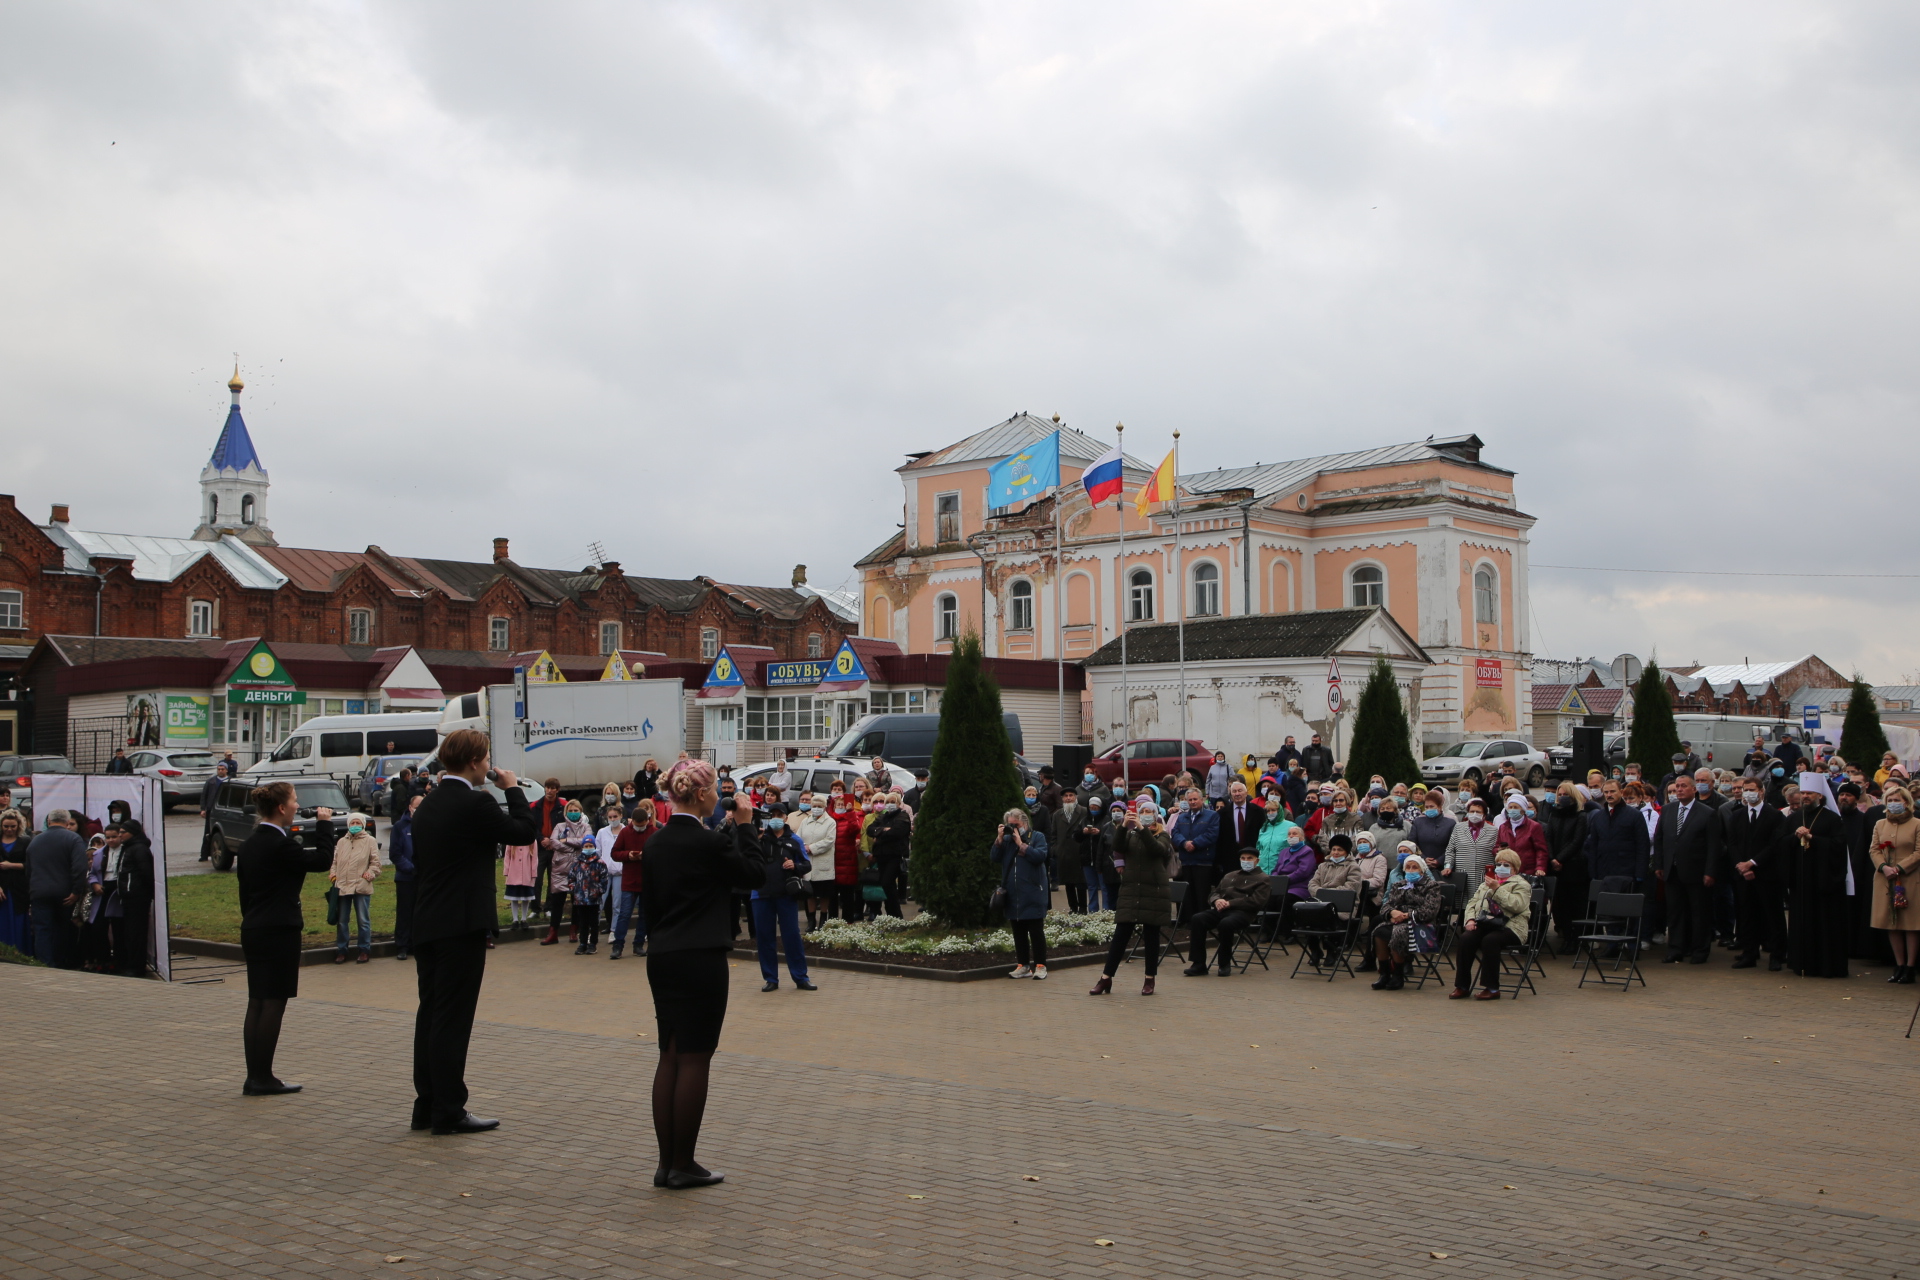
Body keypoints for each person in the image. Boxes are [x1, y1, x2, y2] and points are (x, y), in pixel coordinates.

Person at [641, 759, 766, 1188]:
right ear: (698, 795)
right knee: (695, 1058)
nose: (718, 796)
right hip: (700, 958)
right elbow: (754, 874)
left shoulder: (656, 843)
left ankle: (666, 1163)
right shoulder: (708, 843)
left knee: (670, 1054)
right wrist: (747, 826)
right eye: (713, 789)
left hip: (663, 956)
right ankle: (683, 1163)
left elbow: (652, 908)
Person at [407, 728, 535, 1135]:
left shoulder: (428, 804)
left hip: (428, 920)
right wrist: (513, 788)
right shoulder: (474, 802)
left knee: (430, 1014)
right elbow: (522, 831)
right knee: (453, 1019)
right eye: (486, 758)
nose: (489, 766)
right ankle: (449, 1109)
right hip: (460, 923)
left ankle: (426, 1104)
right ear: (476, 762)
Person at [235, 783, 339, 1094]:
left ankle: (254, 1075)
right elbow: (322, 861)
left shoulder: (249, 844)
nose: (297, 805)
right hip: (279, 929)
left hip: (254, 927)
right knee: (274, 1002)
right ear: (281, 808)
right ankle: (262, 1078)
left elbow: (244, 895)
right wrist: (324, 823)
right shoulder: (281, 846)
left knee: (257, 1001)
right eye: (294, 800)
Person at [1089, 799, 1175, 996]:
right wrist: (1122, 826)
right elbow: (1117, 846)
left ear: (1154, 815)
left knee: (1151, 937)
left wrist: (1141, 829)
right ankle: (1106, 978)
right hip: (1131, 889)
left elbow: (1157, 850)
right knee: (1121, 936)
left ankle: (1149, 979)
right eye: (1141, 811)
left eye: (1148, 811)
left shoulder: (1162, 834)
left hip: (1154, 890)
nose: (1144, 814)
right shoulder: (1131, 832)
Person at [1655, 774, 1723, 965]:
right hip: (1672, 871)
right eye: (1677, 786)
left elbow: (1713, 846)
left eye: (1684, 786)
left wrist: (1710, 872)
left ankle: (1699, 950)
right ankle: (1675, 949)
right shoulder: (1668, 810)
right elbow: (1660, 839)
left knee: (1698, 913)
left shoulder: (1707, 813)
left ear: (1694, 789)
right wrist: (1659, 865)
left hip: (1696, 872)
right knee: (1675, 913)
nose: (1679, 789)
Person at [1785, 783, 1849, 978]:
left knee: (1824, 924)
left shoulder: (1832, 818)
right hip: (1801, 881)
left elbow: (1839, 846)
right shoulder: (1795, 818)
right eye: (1803, 793)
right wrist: (1795, 837)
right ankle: (1801, 963)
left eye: (1809, 793)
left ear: (1819, 796)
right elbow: (1782, 843)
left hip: (1823, 882)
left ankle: (1826, 966)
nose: (1805, 796)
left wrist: (1813, 838)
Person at [1723, 777, 1787, 971]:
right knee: (1747, 915)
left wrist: (1753, 863)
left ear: (1761, 791)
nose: (1748, 793)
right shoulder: (1737, 815)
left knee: (1772, 915)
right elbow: (1732, 843)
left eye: (1751, 789)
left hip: (1767, 874)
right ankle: (1749, 953)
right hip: (1743, 875)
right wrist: (1741, 866)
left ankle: (1777, 955)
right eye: (1745, 789)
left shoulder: (1774, 816)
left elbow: (1774, 844)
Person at [1450, 849, 1531, 999]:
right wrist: (1470, 919)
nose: (1501, 867)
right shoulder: (1486, 883)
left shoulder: (1521, 884)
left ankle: (1492, 988)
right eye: (1498, 864)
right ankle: (1462, 986)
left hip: (1511, 927)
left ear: (1514, 868)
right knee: (1466, 938)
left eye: (1506, 865)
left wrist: (1497, 889)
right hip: (1486, 923)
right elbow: (1472, 903)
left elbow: (1517, 905)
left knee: (1490, 941)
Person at [1184, 845, 1271, 976]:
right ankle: (1198, 964)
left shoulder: (1263, 878)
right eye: (1243, 858)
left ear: (1257, 860)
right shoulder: (1230, 875)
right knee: (1198, 919)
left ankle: (1224, 963)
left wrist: (1231, 903)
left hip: (1243, 913)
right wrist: (1216, 900)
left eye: (1249, 858)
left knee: (1226, 924)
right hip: (1221, 910)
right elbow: (1214, 893)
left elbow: (1257, 902)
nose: (1246, 861)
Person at [992, 807, 1052, 979]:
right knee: (1018, 931)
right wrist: (999, 839)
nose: (1013, 828)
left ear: (1024, 823)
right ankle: (1023, 965)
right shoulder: (1007, 841)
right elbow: (994, 857)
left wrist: (1021, 844)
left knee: (1036, 931)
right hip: (1013, 893)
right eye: (1009, 825)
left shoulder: (1037, 837)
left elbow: (1040, 856)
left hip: (1033, 892)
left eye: (1015, 825)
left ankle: (1040, 965)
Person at [24, 809, 87, 969]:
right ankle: (60, 963)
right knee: (62, 929)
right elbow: (79, 868)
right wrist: (76, 891)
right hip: (65, 894)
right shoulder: (74, 839)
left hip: (39, 892)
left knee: (42, 930)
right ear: (67, 823)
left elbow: (29, 869)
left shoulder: (35, 841)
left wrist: (32, 889)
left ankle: (44, 963)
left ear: (49, 821)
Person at [1870, 786, 1920, 983]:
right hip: (1886, 878)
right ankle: (1898, 964)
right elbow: (1874, 849)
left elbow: (1918, 851)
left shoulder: (1917, 824)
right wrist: (1883, 867)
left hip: (1910, 878)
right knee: (1892, 923)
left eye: (1896, 800)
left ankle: (1910, 966)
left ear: (1906, 802)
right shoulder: (1880, 824)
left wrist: (1899, 867)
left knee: (1910, 924)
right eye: (1889, 800)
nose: (1893, 804)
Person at [1369, 852, 1442, 990]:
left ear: (1422, 870)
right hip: (1397, 919)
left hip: (1420, 923)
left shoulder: (1432, 886)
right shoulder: (1398, 885)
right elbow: (1386, 905)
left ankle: (1398, 975)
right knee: (1379, 931)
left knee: (1398, 932)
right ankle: (1384, 974)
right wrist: (1392, 912)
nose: (1411, 870)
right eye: (1408, 867)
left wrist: (1406, 915)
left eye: (1414, 867)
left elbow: (1430, 911)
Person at [1542, 782, 1589, 952]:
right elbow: (1548, 838)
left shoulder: (1581, 816)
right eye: (1559, 794)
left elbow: (1577, 841)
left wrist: (1560, 859)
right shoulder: (1554, 815)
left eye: (1565, 794)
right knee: (1561, 906)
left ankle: (1576, 940)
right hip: (1556, 867)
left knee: (1575, 905)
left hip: (1573, 866)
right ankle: (1566, 937)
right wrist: (1553, 858)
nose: (1562, 797)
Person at [328, 813, 382, 964]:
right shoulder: (341, 842)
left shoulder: (370, 841)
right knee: (342, 921)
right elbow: (335, 862)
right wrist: (333, 875)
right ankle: (341, 950)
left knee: (363, 920)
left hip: (360, 886)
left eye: (358, 822)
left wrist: (368, 875)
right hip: (343, 886)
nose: (355, 825)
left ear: (363, 824)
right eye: (353, 823)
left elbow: (376, 863)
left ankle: (364, 950)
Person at [609, 800, 656, 959]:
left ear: (647, 821)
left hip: (647, 880)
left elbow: (659, 854)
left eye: (642, 825)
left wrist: (646, 856)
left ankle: (638, 944)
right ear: (632, 821)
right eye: (637, 825)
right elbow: (615, 853)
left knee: (644, 915)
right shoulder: (625, 832)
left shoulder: (653, 832)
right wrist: (628, 855)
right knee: (624, 914)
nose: (639, 827)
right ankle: (618, 946)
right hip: (629, 880)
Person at [542, 801, 591, 945]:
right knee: (557, 902)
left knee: (577, 902)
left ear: (581, 811)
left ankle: (573, 931)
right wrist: (573, 847)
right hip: (559, 869)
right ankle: (553, 933)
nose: (573, 812)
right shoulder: (559, 826)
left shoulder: (586, 827)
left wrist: (566, 841)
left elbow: (585, 841)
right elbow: (553, 842)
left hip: (578, 870)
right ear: (566, 812)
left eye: (576, 810)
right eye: (571, 810)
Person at [789, 792, 836, 930]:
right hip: (808, 861)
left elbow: (829, 841)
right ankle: (811, 921)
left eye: (819, 806)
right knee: (809, 894)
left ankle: (823, 919)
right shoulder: (806, 821)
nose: (816, 808)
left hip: (823, 862)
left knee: (824, 894)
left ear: (824, 807)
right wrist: (802, 848)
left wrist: (812, 847)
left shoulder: (830, 822)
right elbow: (797, 838)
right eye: (814, 806)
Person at [867, 791, 912, 919]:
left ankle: (896, 914)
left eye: (893, 802)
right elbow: (870, 829)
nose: (890, 805)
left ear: (898, 804)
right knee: (886, 884)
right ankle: (892, 914)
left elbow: (897, 833)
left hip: (895, 856)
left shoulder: (902, 816)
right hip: (881, 856)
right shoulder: (883, 817)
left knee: (887, 882)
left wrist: (880, 835)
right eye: (888, 802)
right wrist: (883, 830)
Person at [827, 783, 864, 923]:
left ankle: (848, 921)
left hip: (847, 862)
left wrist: (850, 813)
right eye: (838, 805)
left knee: (847, 895)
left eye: (843, 805)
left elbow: (855, 829)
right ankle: (833, 922)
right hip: (832, 863)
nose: (840, 807)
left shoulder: (850, 818)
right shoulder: (830, 820)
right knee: (832, 896)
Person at [569, 830, 610, 954]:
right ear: (582, 847)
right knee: (583, 922)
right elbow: (571, 878)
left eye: (590, 846)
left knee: (594, 922)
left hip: (594, 898)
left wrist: (599, 891)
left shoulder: (600, 863)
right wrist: (574, 890)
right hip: (580, 898)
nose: (588, 848)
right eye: (586, 846)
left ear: (594, 847)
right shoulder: (576, 863)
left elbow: (604, 879)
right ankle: (582, 943)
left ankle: (593, 943)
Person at [390, 794, 419, 960]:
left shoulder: (428, 826)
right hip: (405, 878)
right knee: (404, 913)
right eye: (416, 807)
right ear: (410, 807)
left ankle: (415, 944)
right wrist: (411, 868)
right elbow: (395, 853)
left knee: (419, 913)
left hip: (423, 878)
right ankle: (402, 946)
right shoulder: (400, 827)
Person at [1053, 790, 1091, 914]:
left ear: (1076, 797)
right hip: (1064, 853)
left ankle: (1083, 908)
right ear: (1062, 798)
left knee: (1081, 881)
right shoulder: (1057, 814)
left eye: (1071, 796)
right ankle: (1073, 908)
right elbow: (1053, 834)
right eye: (1065, 796)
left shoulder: (1084, 811)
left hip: (1079, 851)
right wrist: (1055, 849)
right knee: (1068, 882)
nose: (1068, 798)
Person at [1443, 798, 1499, 882]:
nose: (1474, 814)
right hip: (1462, 875)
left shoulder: (1493, 830)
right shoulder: (1458, 828)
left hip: (1484, 876)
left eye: (1478, 812)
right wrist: (1448, 866)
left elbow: (1496, 852)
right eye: (1472, 811)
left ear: (1484, 815)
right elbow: (1450, 850)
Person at [1495, 795, 1550, 878]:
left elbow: (1541, 850)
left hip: (1527, 872)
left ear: (1523, 810)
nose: (1513, 809)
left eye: (1516, 807)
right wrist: (1499, 850)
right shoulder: (1503, 827)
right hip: (1507, 871)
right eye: (1510, 807)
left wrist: (1540, 868)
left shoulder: (1534, 826)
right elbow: (1496, 847)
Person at [0, 808, 31, 953]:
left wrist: (11, 865)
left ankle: (19, 952)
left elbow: (30, 865)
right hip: (2, 889)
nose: (9, 829)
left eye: (13, 826)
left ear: (19, 825)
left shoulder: (25, 841)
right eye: (6, 826)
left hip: (19, 889)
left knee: (19, 920)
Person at [1218, 781, 1266, 862]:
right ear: (1231, 794)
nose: (1237, 794)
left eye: (1240, 791)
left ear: (1246, 793)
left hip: (1252, 853)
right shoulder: (1222, 813)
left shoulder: (1258, 811)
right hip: (1230, 856)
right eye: (1234, 791)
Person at [502, 827, 539, 930]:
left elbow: (534, 858)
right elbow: (507, 856)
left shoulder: (532, 841)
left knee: (525, 897)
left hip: (526, 874)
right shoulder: (511, 840)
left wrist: (533, 873)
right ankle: (515, 919)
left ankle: (523, 919)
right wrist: (507, 871)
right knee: (514, 897)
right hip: (513, 874)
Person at [197, 761, 229, 861]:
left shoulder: (230, 781)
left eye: (222, 769)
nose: (220, 771)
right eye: (219, 769)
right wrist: (203, 809)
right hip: (211, 810)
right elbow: (204, 795)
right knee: (208, 832)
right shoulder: (211, 782)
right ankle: (204, 855)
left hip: (225, 810)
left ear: (226, 770)